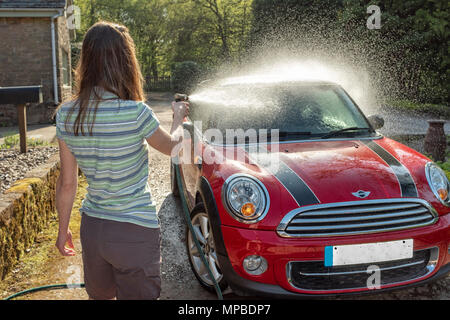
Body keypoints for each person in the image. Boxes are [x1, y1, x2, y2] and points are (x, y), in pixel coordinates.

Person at [54, 21, 188, 300]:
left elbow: (67, 183)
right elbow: (174, 148)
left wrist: (62, 228)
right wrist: (177, 118)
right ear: (125, 61)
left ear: (87, 61)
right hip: (134, 230)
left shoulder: (66, 115)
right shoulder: (136, 112)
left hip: (93, 229)